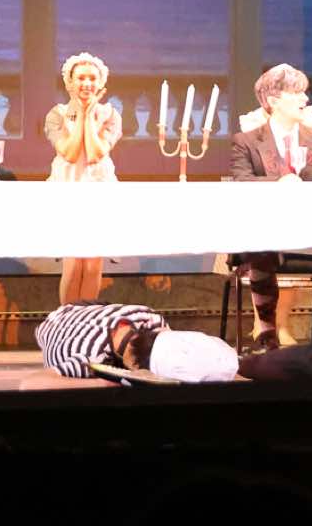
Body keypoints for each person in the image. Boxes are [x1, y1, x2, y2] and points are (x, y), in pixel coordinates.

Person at [227, 63, 312, 348]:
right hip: (269, 234)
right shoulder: (246, 142)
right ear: (274, 100)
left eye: (304, 92)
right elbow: (241, 182)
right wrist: (278, 182)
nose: (305, 98)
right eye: (296, 93)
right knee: (260, 246)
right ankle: (267, 334)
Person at [44, 52, 122, 306]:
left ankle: (86, 320)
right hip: (68, 189)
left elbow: (96, 154)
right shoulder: (57, 114)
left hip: (99, 190)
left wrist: (88, 116)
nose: (86, 83)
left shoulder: (111, 115)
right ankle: (67, 320)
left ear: (101, 83)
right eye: (80, 78)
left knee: (92, 264)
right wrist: (80, 113)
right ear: (70, 82)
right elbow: (69, 152)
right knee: (74, 262)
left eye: (92, 78)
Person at [33, 300, 238, 382]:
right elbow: (33, 383)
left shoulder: (148, 317)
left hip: (74, 311)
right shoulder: (90, 359)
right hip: (55, 326)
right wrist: (103, 383)